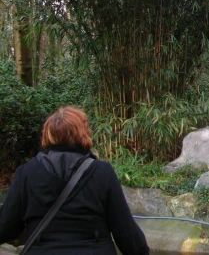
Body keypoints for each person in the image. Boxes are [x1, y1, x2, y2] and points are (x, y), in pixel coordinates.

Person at [0, 107, 150, 255]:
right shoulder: (102, 172)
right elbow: (125, 231)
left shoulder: (26, 173)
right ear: (83, 133)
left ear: (47, 134)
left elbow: (6, 226)